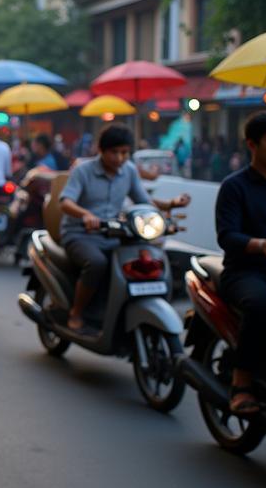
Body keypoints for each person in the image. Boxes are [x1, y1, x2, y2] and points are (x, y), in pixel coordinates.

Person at [59, 124, 190, 334]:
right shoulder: (83, 170)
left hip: (114, 234)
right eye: (114, 152)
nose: (119, 158)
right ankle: (77, 311)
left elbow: (144, 201)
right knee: (97, 263)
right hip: (80, 234)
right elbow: (66, 202)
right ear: (101, 150)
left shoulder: (128, 170)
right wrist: (86, 214)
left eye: (124, 152)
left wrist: (170, 204)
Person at [214, 111, 266, 414]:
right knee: (263, 305)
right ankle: (242, 383)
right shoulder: (234, 186)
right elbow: (227, 236)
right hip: (245, 272)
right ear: (252, 144)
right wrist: (263, 245)